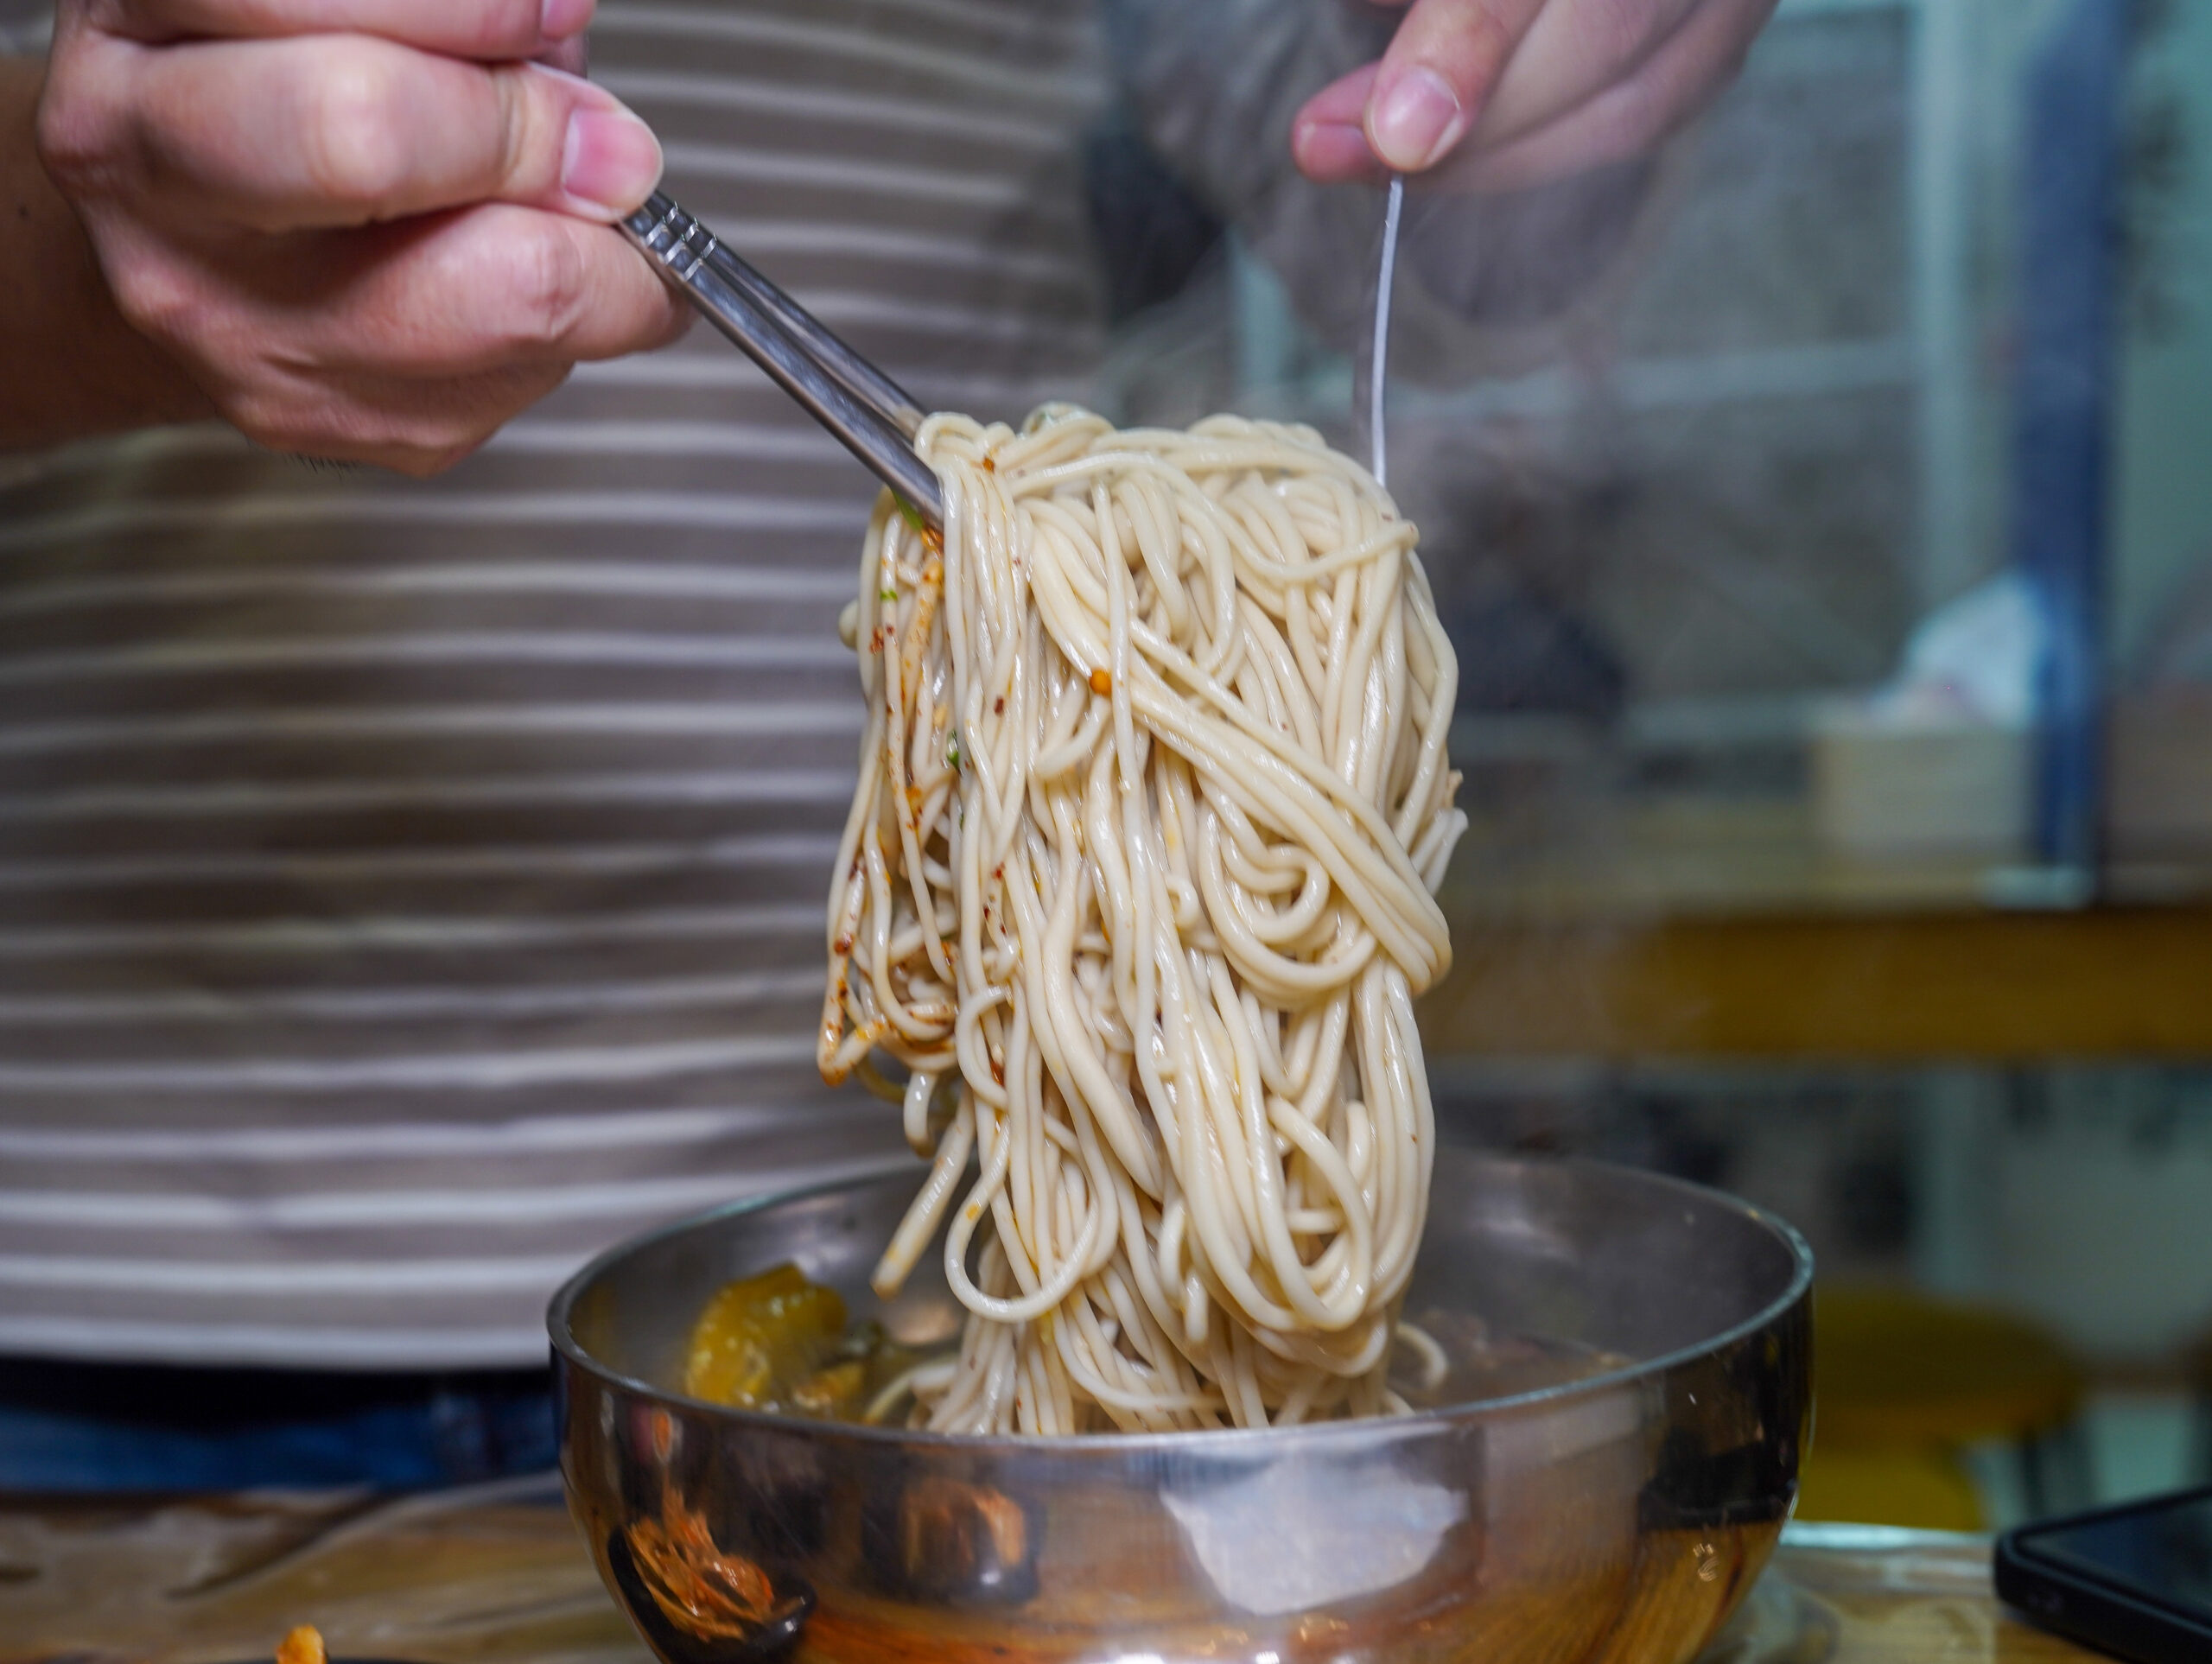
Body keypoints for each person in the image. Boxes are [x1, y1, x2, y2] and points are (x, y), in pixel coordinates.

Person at [0, 0, 1777, 1489]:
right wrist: (91, 229)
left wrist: (1545, 72)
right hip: (97, 1295)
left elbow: (1437, 227)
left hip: (899, 1301)